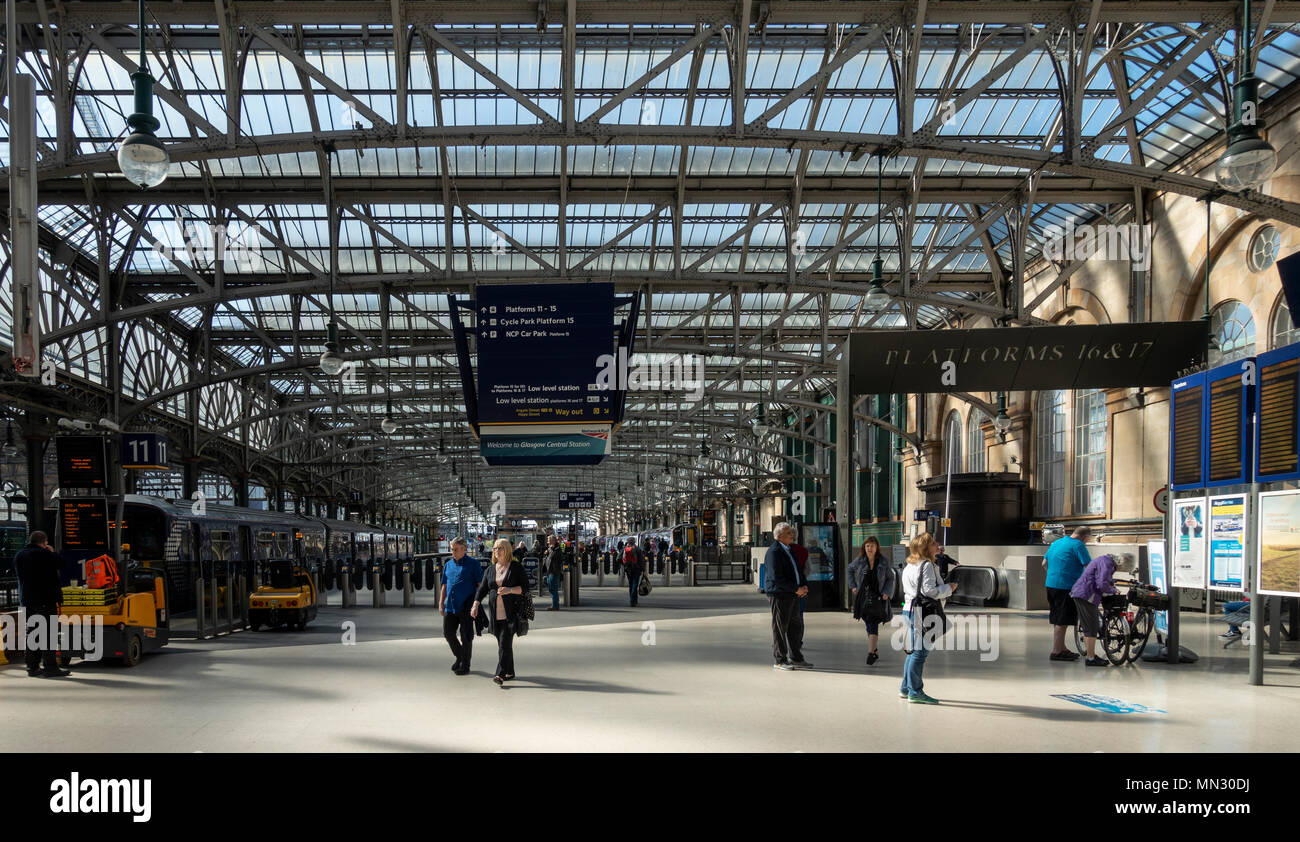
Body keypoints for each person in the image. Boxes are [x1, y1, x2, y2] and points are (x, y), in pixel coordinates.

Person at [899, 531, 957, 704]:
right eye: (932, 543)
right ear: (925, 548)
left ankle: (905, 687)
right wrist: (949, 588)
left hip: (909, 610)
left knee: (913, 651)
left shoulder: (910, 565)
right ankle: (915, 692)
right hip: (922, 613)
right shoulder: (927, 565)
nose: (936, 544)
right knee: (920, 653)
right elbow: (928, 591)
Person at [470, 538, 528, 686]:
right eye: (495, 548)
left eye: (500, 548)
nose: (497, 551)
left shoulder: (516, 567)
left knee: (504, 644)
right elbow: (482, 589)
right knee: (503, 645)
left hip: (512, 613)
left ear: (507, 550)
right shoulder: (490, 569)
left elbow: (525, 588)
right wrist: (475, 604)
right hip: (495, 614)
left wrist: (509, 590)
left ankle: (500, 674)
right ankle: (510, 671)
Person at [13, 531, 70, 678]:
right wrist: (51, 552)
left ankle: (32, 667)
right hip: (45, 600)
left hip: (27, 600)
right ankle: (51, 667)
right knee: (49, 635)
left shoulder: (19, 555)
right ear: (44, 542)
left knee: (33, 634)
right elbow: (62, 563)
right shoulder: (44, 554)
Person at [764, 522, 813, 670]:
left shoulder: (789, 550)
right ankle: (780, 659)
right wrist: (795, 589)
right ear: (779, 536)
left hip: (793, 594)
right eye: (788, 533)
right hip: (780, 594)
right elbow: (775, 577)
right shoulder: (774, 552)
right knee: (780, 627)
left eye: (791, 532)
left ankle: (796, 657)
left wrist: (803, 586)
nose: (792, 535)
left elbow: (798, 570)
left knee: (795, 627)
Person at [1043, 526, 1091, 662]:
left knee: (1057, 617)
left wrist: (1054, 575)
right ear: (1085, 537)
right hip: (1066, 587)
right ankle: (1056, 651)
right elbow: (1089, 567)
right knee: (1062, 619)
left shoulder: (1056, 542)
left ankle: (1061, 646)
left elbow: (1044, 563)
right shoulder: (1078, 545)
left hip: (1051, 585)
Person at [848, 536, 895, 666]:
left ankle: (871, 653)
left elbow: (890, 578)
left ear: (876, 548)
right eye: (867, 546)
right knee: (868, 622)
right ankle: (874, 648)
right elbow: (850, 569)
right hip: (863, 597)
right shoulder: (860, 561)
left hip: (878, 597)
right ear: (864, 547)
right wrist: (853, 586)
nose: (870, 548)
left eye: (872, 546)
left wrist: (887, 591)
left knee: (872, 622)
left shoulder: (883, 562)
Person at [1069, 552, 1122, 667]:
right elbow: (1102, 583)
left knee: (1091, 625)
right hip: (1086, 595)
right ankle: (1091, 658)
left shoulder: (1105, 560)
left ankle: (1091, 655)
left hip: (1083, 593)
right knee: (1091, 627)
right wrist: (1113, 590)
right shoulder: (1107, 563)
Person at [439, 536, 482, 675]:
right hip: (450, 606)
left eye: (456, 549)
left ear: (464, 549)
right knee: (448, 633)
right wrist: (441, 603)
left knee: (466, 636)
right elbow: (444, 585)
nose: (453, 552)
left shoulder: (473, 564)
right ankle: (460, 657)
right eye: (452, 549)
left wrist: (477, 603)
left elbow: (480, 586)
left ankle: (465, 665)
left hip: (466, 607)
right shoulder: (448, 565)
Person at [543, 535, 565, 611]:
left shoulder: (557, 549)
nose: (547, 541)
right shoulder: (551, 548)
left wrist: (550, 550)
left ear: (553, 541)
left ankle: (555, 606)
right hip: (550, 571)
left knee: (553, 588)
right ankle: (554, 604)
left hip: (554, 571)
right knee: (550, 588)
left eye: (548, 540)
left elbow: (554, 556)